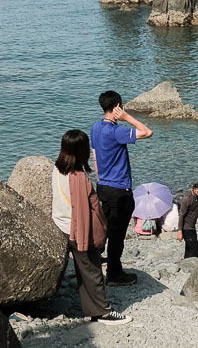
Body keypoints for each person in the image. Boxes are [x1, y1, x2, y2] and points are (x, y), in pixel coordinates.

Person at [50, 129, 132, 325]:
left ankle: (90, 306)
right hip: (77, 230)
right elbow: (85, 211)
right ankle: (103, 312)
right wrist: (94, 236)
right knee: (93, 272)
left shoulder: (57, 168)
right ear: (82, 151)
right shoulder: (79, 178)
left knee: (84, 271)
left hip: (60, 223)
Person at [90, 90, 153, 286]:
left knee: (104, 226)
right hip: (120, 190)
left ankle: (93, 261)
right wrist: (127, 117)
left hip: (103, 186)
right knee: (117, 234)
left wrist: (100, 180)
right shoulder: (116, 132)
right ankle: (115, 274)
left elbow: (94, 156)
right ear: (118, 106)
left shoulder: (96, 128)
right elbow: (147, 132)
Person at [176, 179, 198, 258]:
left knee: (189, 247)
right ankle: (193, 264)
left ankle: (186, 263)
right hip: (186, 228)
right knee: (196, 248)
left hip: (192, 227)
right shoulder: (187, 199)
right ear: (196, 189)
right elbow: (181, 215)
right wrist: (180, 231)